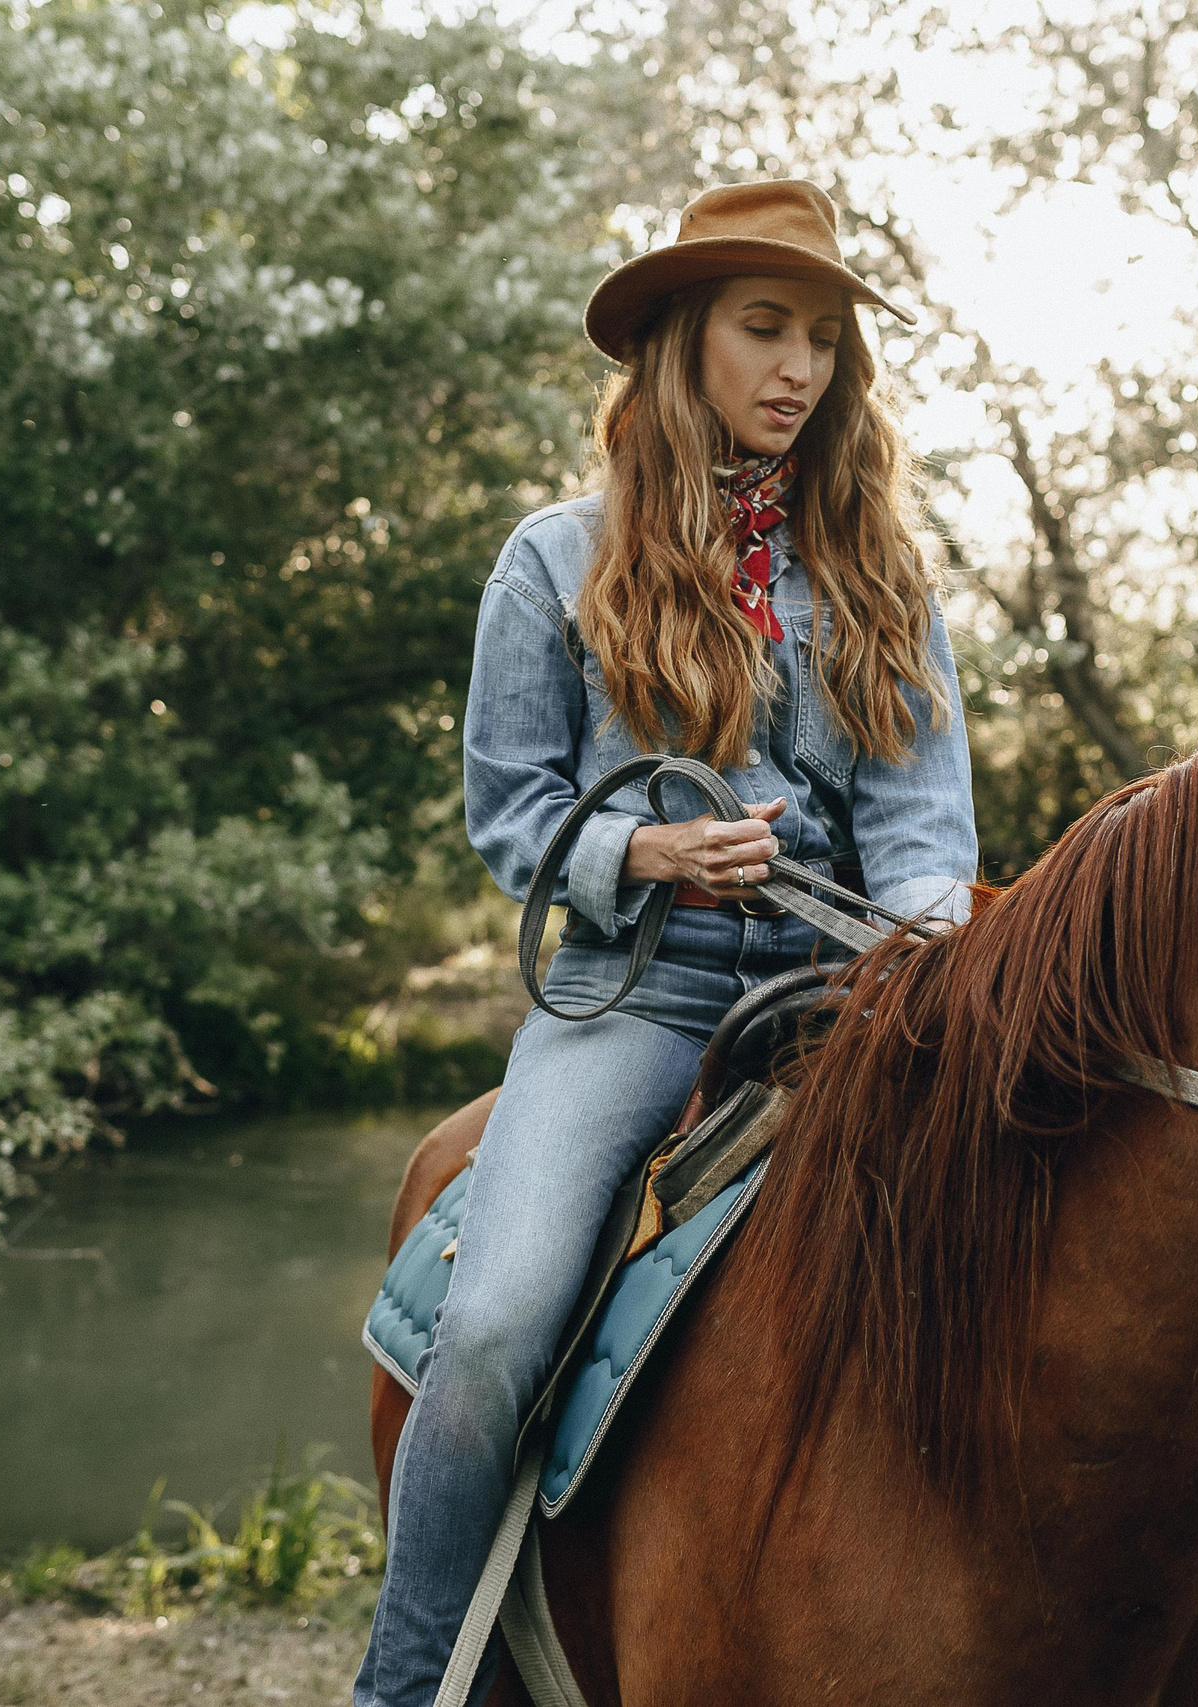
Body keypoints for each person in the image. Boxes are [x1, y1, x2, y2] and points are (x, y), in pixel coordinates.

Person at [353, 177, 979, 1707]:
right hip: (634, 994)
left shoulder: (884, 577)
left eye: (826, 342)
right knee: (496, 1326)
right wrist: (642, 849)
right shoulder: (554, 562)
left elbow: (923, 835)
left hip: (845, 997)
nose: (800, 370)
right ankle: (409, 1683)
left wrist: (918, 967)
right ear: (682, 341)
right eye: (768, 330)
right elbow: (512, 816)